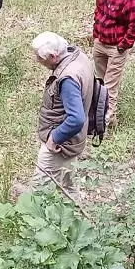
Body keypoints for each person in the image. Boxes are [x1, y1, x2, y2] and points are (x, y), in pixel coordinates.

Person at [31, 31, 96, 195]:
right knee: (68, 185)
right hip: (75, 140)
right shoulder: (77, 56)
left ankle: (34, 219)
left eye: (40, 58)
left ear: (53, 56)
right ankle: (76, 217)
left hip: (62, 145)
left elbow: (76, 119)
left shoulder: (67, 79)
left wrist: (55, 138)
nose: (37, 61)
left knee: (39, 190)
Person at [91, 0, 135, 129]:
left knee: (109, 87)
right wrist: (96, 35)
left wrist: (123, 45)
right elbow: (98, 13)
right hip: (100, 43)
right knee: (99, 82)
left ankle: (105, 123)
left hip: (116, 48)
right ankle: (100, 116)